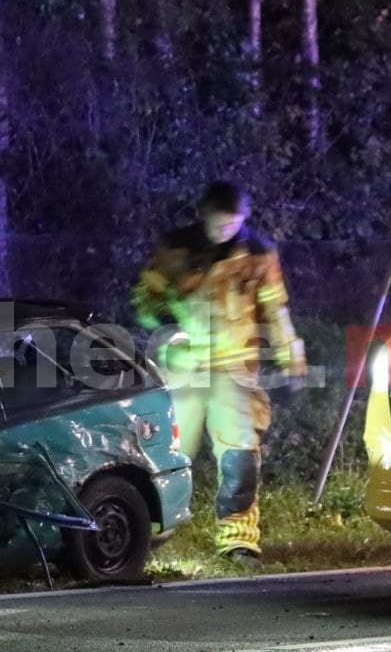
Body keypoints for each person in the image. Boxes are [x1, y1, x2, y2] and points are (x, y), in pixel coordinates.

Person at [131, 181, 306, 566]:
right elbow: (145, 298)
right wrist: (157, 317)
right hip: (184, 366)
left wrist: (292, 361)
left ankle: (238, 539)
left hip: (235, 371)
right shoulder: (175, 250)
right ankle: (151, 533)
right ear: (203, 214)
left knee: (240, 456)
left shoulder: (258, 255)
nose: (226, 231)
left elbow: (276, 313)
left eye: (233, 224)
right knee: (167, 454)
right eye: (219, 224)